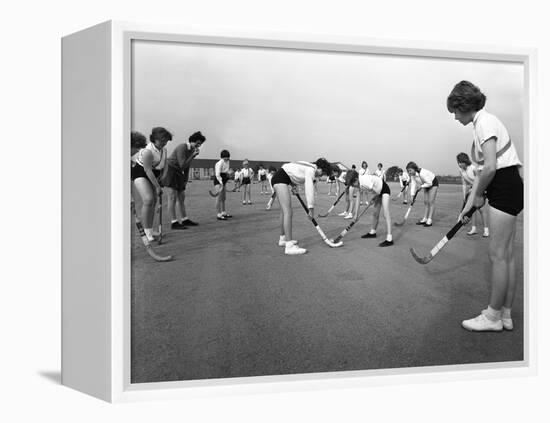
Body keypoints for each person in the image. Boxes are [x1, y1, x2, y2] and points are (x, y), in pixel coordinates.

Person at [448, 80, 523, 332]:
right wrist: (468, 206)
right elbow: (480, 175)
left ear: (464, 105)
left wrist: (479, 196)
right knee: (507, 256)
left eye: (455, 111)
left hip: (503, 183)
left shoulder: (484, 122)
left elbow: (490, 167)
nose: (455, 117)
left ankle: (491, 317)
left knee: (498, 256)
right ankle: (505, 315)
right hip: (507, 183)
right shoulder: (482, 124)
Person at [271, 159, 339, 255]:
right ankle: (289, 246)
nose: (321, 175)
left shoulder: (309, 167)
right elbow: (309, 189)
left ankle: (283, 239)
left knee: (284, 211)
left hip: (281, 178)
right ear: (319, 168)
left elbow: (290, 169)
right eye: (322, 172)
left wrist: (293, 184)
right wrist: (311, 209)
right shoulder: (311, 170)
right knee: (288, 212)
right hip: (280, 179)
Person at [131, 127, 172, 241]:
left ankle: (150, 230)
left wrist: (162, 178)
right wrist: (157, 187)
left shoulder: (164, 150)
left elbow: (165, 165)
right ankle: (146, 232)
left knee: (153, 202)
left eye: (166, 140)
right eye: (162, 140)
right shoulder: (147, 151)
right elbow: (148, 171)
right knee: (148, 200)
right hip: (141, 173)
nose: (164, 143)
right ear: (154, 139)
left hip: (155, 175)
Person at [160, 131, 205, 230]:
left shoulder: (191, 150)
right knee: (172, 197)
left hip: (178, 172)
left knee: (181, 197)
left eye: (200, 144)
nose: (199, 145)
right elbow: (182, 165)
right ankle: (174, 222)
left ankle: (184, 219)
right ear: (192, 141)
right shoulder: (183, 147)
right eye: (197, 143)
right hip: (170, 170)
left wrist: (185, 180)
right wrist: (193, 156)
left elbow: (187, 166)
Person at [347, 170, 393, 247]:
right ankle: (373, 232)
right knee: (375, 213)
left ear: (356, 179)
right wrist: (356, 215)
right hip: (378, 191)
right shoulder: (359, 183)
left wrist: (374, 198)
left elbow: (377, 191)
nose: (353, 186)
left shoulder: (365, 181)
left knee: (386, 213)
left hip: (384, 189)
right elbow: (358, 198)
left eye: (352, 184)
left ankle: (389, 238)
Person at [456, 152, 489, 237]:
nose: (459, 164)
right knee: (472, 210)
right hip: (472, 189)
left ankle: (486, 230)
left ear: (465, 161)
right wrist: (464, 196)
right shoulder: (461, 170)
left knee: (481, 209)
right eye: (458, 163)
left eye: (460, 162)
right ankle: (474, 229)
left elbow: (481, 180)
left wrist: (475, 191)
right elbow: (464, 184)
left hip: (481, 188)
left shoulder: (473, 168)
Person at [406, 161, 439, 227]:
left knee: (431, 201)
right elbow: (413, 184)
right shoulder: (412, 175)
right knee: (426, 202)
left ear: (414, 168)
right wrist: (412, 196)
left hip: (433, 183)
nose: (409, 172)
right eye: (408, 171)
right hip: (425, 184)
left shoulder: (422, 173)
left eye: (410, 170)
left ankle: (429, 220)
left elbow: (430, 183)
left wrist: (421, 187)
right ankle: (425, 218)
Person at [213, 150, 232, 220]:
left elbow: (226, 171)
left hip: (224, 180)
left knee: (223, 198)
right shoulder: (219, 163)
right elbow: (217, 174)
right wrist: (221, 183)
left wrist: (229, 174)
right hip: (218, 181)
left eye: (228, 157)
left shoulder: (228, 162)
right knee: (218, 198)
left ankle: (223, 212)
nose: (227, 159)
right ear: (222, 157)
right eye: (225, 158)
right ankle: (219, 214)